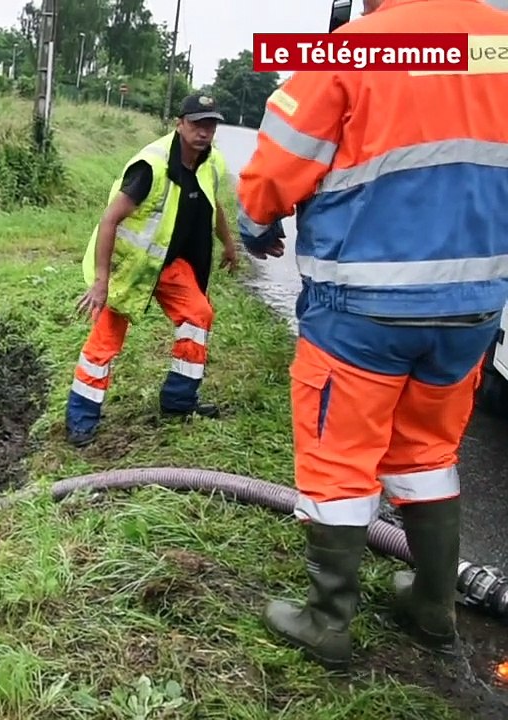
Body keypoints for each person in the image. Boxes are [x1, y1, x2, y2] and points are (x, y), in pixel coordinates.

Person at [237, 0, 508, 671]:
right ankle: (432, 609)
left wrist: (254, 224)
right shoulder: (496, 46)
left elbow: (273, 171)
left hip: (362, 310)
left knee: (341, 460)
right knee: (427, 454)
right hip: (473, 309)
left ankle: (328, 620)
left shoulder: (354, 50)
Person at [66, 93, 240, 447]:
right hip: (131, 267)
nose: (204, 132)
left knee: (198, 315)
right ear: (180, 124)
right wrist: (101, 282)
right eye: (196, 123)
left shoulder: (211, 163)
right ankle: (80, 421)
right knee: (105, 344)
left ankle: (179, 401)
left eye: (210, 125)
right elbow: (109, 220)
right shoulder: (151, 166)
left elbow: (213, 204)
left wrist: (229, 243)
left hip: (170, 264)